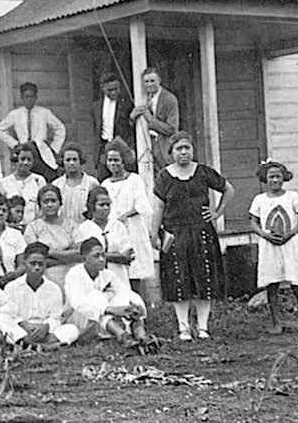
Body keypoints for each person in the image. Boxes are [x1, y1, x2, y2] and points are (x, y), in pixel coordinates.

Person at [150, 131, 235, 341]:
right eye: (179, 149)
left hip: (202, 232)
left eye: (187, 147)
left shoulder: (203, 172)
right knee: (179, 280)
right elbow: (159, 206)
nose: (184, 152)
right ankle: (184, 327)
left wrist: (217, 212)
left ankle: (203, 326)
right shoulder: (164, 176)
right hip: (174, 233)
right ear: (171, 152)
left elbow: (228, 189)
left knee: (204, 279)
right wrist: (154, 233)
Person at [249, 161, 298, 335]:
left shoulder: (292, 196)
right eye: (271, 177)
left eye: (278, 176)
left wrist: (291, 233)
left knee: (297, 284)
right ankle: (276, 323)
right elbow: (253, 222)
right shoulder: (259, 199)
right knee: (272, 284)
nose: (275, 180)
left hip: (289, 245)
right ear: (265, 179)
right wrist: (264, 234)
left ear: (284, 177)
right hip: (269, 246)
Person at [64, 237, 148, 346]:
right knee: (96, 298)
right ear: (84, 258)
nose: (101, 259)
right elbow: (78, 304)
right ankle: (123, 336)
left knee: (128, 298)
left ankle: (141, 336)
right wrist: (110, 309)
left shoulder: (107, 274)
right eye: (96, 256)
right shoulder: (74, 274)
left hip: (104, 322)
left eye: (103, 255)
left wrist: (133, 306)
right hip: (80, 320)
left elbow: (124, 291)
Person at [1, 243, 80, 349]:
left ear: (45, 265)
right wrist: (24, 325)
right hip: (22, 330)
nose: (37, 267)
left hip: (45, 331)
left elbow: (56, 317)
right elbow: (9, 315)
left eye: (40, 264)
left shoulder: (54, 288)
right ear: (24, 264)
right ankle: (42, 345)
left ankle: (29, 344)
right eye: (32, 264)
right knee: (1, 320)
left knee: (72, 329)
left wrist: (45, 327)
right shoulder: (12, 287)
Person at [101, 139, 155, 293]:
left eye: (116, 160)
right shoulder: (105, 184)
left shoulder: (134, 180)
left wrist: (124, 216)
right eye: (110, 160)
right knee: (116, 269)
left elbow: (142, 205)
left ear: (123, 161)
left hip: (132, 228)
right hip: (113, 231)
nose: (113, 164)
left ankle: (138, 308)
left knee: (134, 269)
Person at [0, 82, 66, 182]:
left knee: (46, 177)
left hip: (40, 151)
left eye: (32, 97)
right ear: (22, 97)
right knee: (25, 177)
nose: (29, 100)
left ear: (36, 97)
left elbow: (60, 128)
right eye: (26, 97)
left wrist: (54, 148)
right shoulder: (15, 114)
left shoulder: (44, 113)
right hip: (24, 149)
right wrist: (15, 144)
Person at [76, 187, 135, 286]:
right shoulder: (84, 228)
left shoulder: (118, 226)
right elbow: (85, 255)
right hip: (94, 279)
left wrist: (98, 255)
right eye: (101, 205)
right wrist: (116, 256)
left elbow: (128, 255)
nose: (106, 208)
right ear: (92, 206)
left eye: (108, 204)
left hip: (119, 276)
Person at [23, 185, 79, 288]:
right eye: (45, 201)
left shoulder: (71, 225)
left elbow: (78, 255)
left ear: (60, 203)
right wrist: (67, 254)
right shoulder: (33, 228)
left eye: (53, 201)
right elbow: (35, 259)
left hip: (71, 277)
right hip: (45, 278)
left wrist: (47, 252)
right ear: (40, 205)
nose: (50, 205)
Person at [129, 67, 179, 174]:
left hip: (163, 148)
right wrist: (132, 117)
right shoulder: (142, 98)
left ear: (159, 80)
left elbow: (171, 128)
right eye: (146, 82)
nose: (149, 84)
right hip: (146, 146)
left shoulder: (169, 98)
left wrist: (151, 119)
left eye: (152, 81)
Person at [92, 72, 136, 181]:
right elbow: (96, 129)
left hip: (121, 145)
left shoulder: (126, 104)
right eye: (110, 90)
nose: (114, 92)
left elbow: (130, 128)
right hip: (103, 147)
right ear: (103, 88)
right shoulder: (96, 106)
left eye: (116, 89)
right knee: (103, 179)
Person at [52, 143, 99, 224]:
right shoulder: (56, 184)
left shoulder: (92, 183)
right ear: (62, 162)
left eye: (74, 159)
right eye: (68, 160)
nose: (71, 163)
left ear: (80, 161)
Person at [0, 143, 47, 223]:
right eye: (22, 159)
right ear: (16, 159)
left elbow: (44, 207)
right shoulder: (5, 182)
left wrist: (33, 224)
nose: (26, 163)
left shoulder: (39, 180)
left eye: (29, 160)